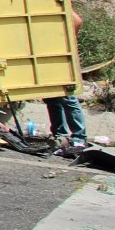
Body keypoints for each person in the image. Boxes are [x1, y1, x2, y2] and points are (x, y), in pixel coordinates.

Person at [47, 8, 87, 152]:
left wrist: (66, 44)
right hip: (48, 56)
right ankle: (61, 136)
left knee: (67, 97)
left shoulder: (59, 5)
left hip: (60, 56)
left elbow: (77, 21)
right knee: (51, 97)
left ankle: (79, 138)